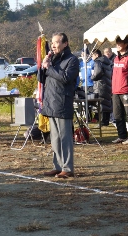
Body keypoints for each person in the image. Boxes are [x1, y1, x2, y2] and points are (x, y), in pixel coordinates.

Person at [38, 32, 79, 178]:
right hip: (51, 102)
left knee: (65, 137)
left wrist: (49, 68)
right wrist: (43, 67)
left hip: (62, 102)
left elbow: (66, 78)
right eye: (53, 43)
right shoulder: (53, 59)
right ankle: (57, 166)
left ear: (65, 44)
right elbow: (41, 79)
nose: (53, 45)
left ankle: (67, 168)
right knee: (54, 138)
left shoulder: (72, 60)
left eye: (56, 42)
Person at [91, 49, 112, 126]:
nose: (92, 57)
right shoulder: (107, 62)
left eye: (92, 55)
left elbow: (98, 73)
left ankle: (102, 121)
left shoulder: (98, 62)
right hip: (107, 84)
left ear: (96, 55)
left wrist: (92, 77)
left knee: (101, 103)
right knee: (107, 102)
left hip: (100, 85)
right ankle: (106, 120)